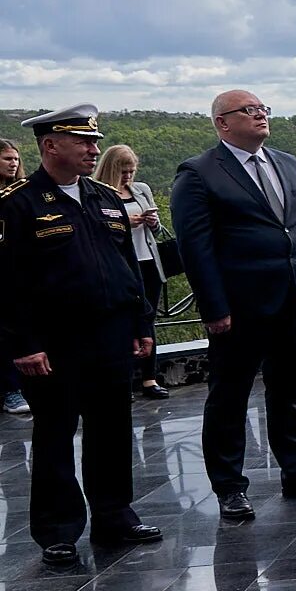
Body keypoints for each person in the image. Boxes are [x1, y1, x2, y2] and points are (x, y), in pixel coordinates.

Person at [171, 90, 296, 522]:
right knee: (229, 396)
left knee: (288, 390)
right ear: (222, 123)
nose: (260, 115)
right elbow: (196, 248)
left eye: (263, 109)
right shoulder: (199, 173)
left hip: (294, 297)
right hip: (240, 305)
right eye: (249, 111)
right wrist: (214, 307)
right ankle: (230, 486)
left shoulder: (286, 162)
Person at [0, 106, 163, 567]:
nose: (94, 150)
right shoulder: (17, 203)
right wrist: (24, 343)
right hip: (53, 342)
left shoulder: (105, 197)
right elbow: (7, 283)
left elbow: (127, 268)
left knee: (111, 429)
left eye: (95, 142)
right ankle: (57, 529)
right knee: (54, 434)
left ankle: (114, 516)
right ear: (51, 145)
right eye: (83, 142)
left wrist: (141, 325)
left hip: (111, 334)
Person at [94, 144, 172, 399]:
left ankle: (150, 378)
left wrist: (152, 222)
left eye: (132, 171)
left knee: (147, 321)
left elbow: (157, 231)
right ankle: (123, 380)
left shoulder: (141, 190)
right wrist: (124, 224)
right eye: (124, 171)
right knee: (122, 324)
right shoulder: (97, 193)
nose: (128, 176)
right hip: (120, 266)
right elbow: (95, 234)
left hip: (148, 260)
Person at [0, 138, 27, 415]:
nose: (14, 163)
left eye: (16, 159)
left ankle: (13, 389)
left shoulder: (21, 194)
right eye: (8, 158)